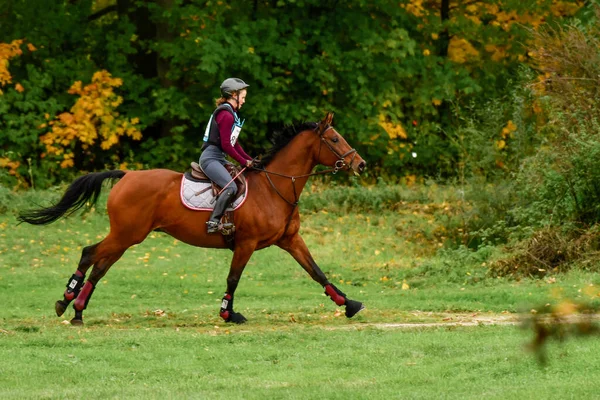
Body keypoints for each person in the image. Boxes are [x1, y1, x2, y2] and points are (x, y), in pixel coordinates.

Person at [200, 78, 255, 233]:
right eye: (243, 97)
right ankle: (213, 222)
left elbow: (235, 143)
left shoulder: (231, 114)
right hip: (210, 158)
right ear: (233, 95)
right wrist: (244, 161)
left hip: (218, 157)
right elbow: (226, 145)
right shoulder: (226, 115)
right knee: (230, 187)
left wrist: (249, 160)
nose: (244, 101)